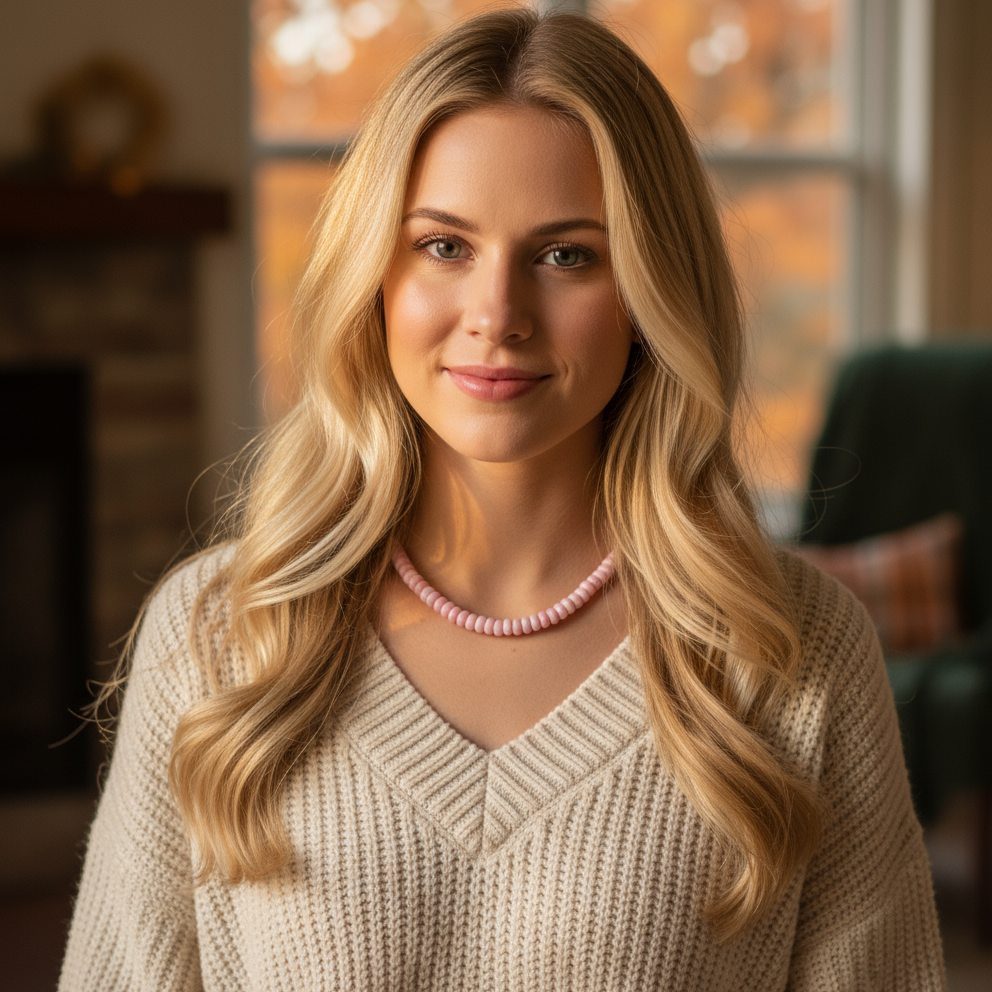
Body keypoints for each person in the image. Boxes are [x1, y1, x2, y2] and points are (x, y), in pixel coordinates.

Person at [59, 8, 947, 990]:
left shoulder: (795, 652)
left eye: (566, 254)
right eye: (443, 246)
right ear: (375, 277)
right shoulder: (217, 631)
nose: (496, 316)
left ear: (650, 290)